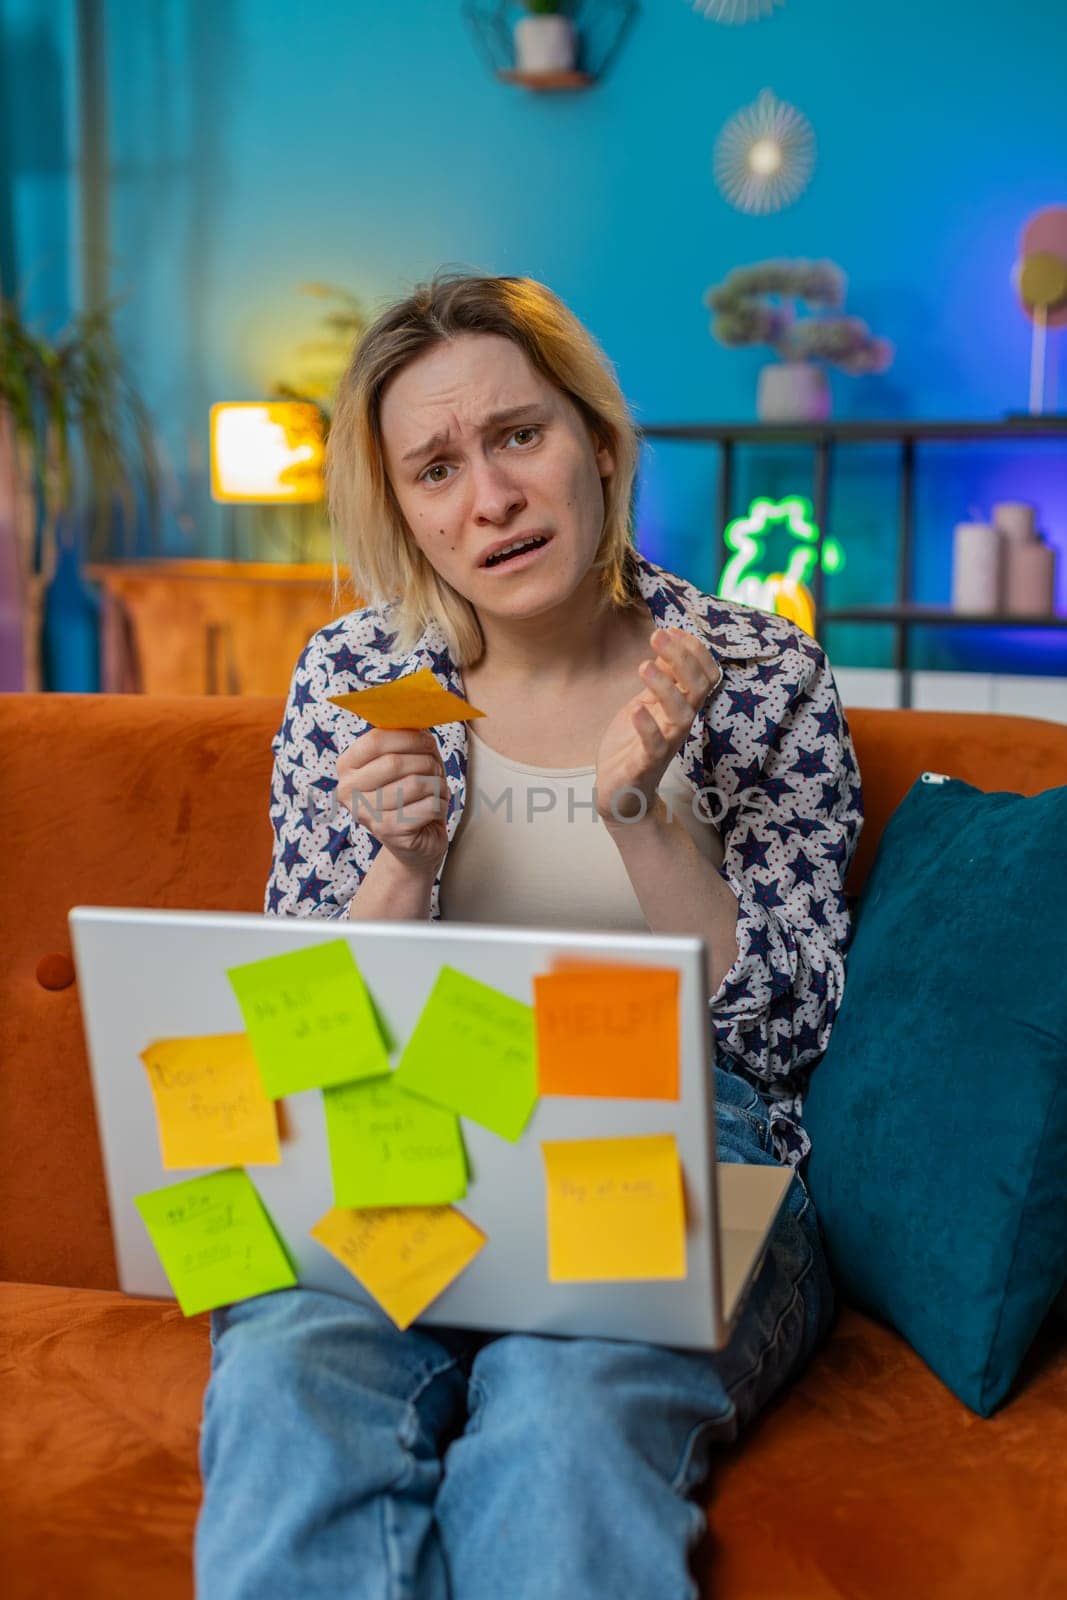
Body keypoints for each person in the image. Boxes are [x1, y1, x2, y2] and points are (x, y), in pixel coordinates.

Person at [195, 272, 863, 1600]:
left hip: (678, 1138)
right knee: (284, 1373)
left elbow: (795, 1031)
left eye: (518, 436)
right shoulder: (355, 678)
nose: (489, 497)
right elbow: (303, 1046)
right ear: (405, 515)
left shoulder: (755, 674)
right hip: (416, 1137)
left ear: (598, 445)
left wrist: (639, 816)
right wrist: (403, 863)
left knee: (565, 1405)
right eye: (434, 470)